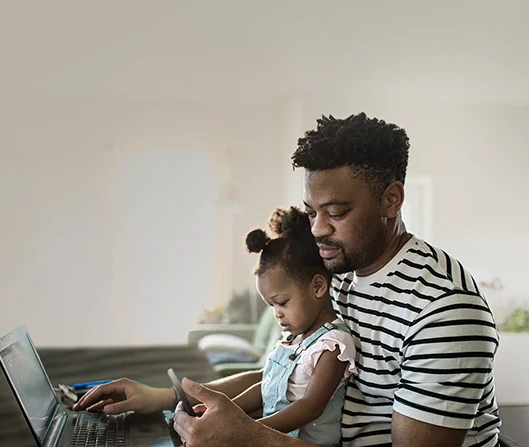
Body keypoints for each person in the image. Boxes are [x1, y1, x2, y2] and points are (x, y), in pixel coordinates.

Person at [75, 113, 501, 447]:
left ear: (391, 199)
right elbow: (289, 373)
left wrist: (248, 437)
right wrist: (168, 399)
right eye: (312, 212)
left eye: (336, 213)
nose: (317, 230)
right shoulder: (341, 272)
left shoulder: (443, 309)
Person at [231, 205, 357, 444]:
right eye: (271, 306)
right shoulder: (293, 339)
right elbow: (264, 388)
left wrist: (248, 430)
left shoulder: (333, 345)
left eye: (282, 303)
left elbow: (310, 407)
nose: (277, 314)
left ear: (318, 286)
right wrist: (228, 412)